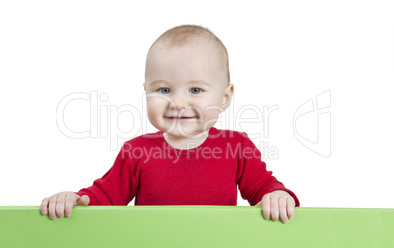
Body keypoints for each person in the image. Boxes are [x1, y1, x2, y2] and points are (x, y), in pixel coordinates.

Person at [41, 24, 300, 223]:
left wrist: (276, 196)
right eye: (164, 90)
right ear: (146, 92)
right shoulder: (136, 151)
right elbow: (105, 196)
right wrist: (76, 200)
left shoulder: (236, 146)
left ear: (224, 98)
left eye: (196, 90)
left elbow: (263, 187)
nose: (177, 102)